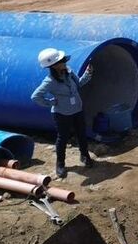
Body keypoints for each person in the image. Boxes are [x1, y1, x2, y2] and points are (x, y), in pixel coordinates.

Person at [30, 48, 93, 179]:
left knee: (81, 133)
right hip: (62, 114)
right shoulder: (49, 81)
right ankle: (60, 164)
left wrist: (88, 73)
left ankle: (84, 155)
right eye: (62, 60)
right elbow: (35, 97)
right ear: (54, 65)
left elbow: (79, 83)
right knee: (63, 138)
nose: (65, 61)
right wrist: (52, 102)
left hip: (77, 109)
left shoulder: (69, 72)